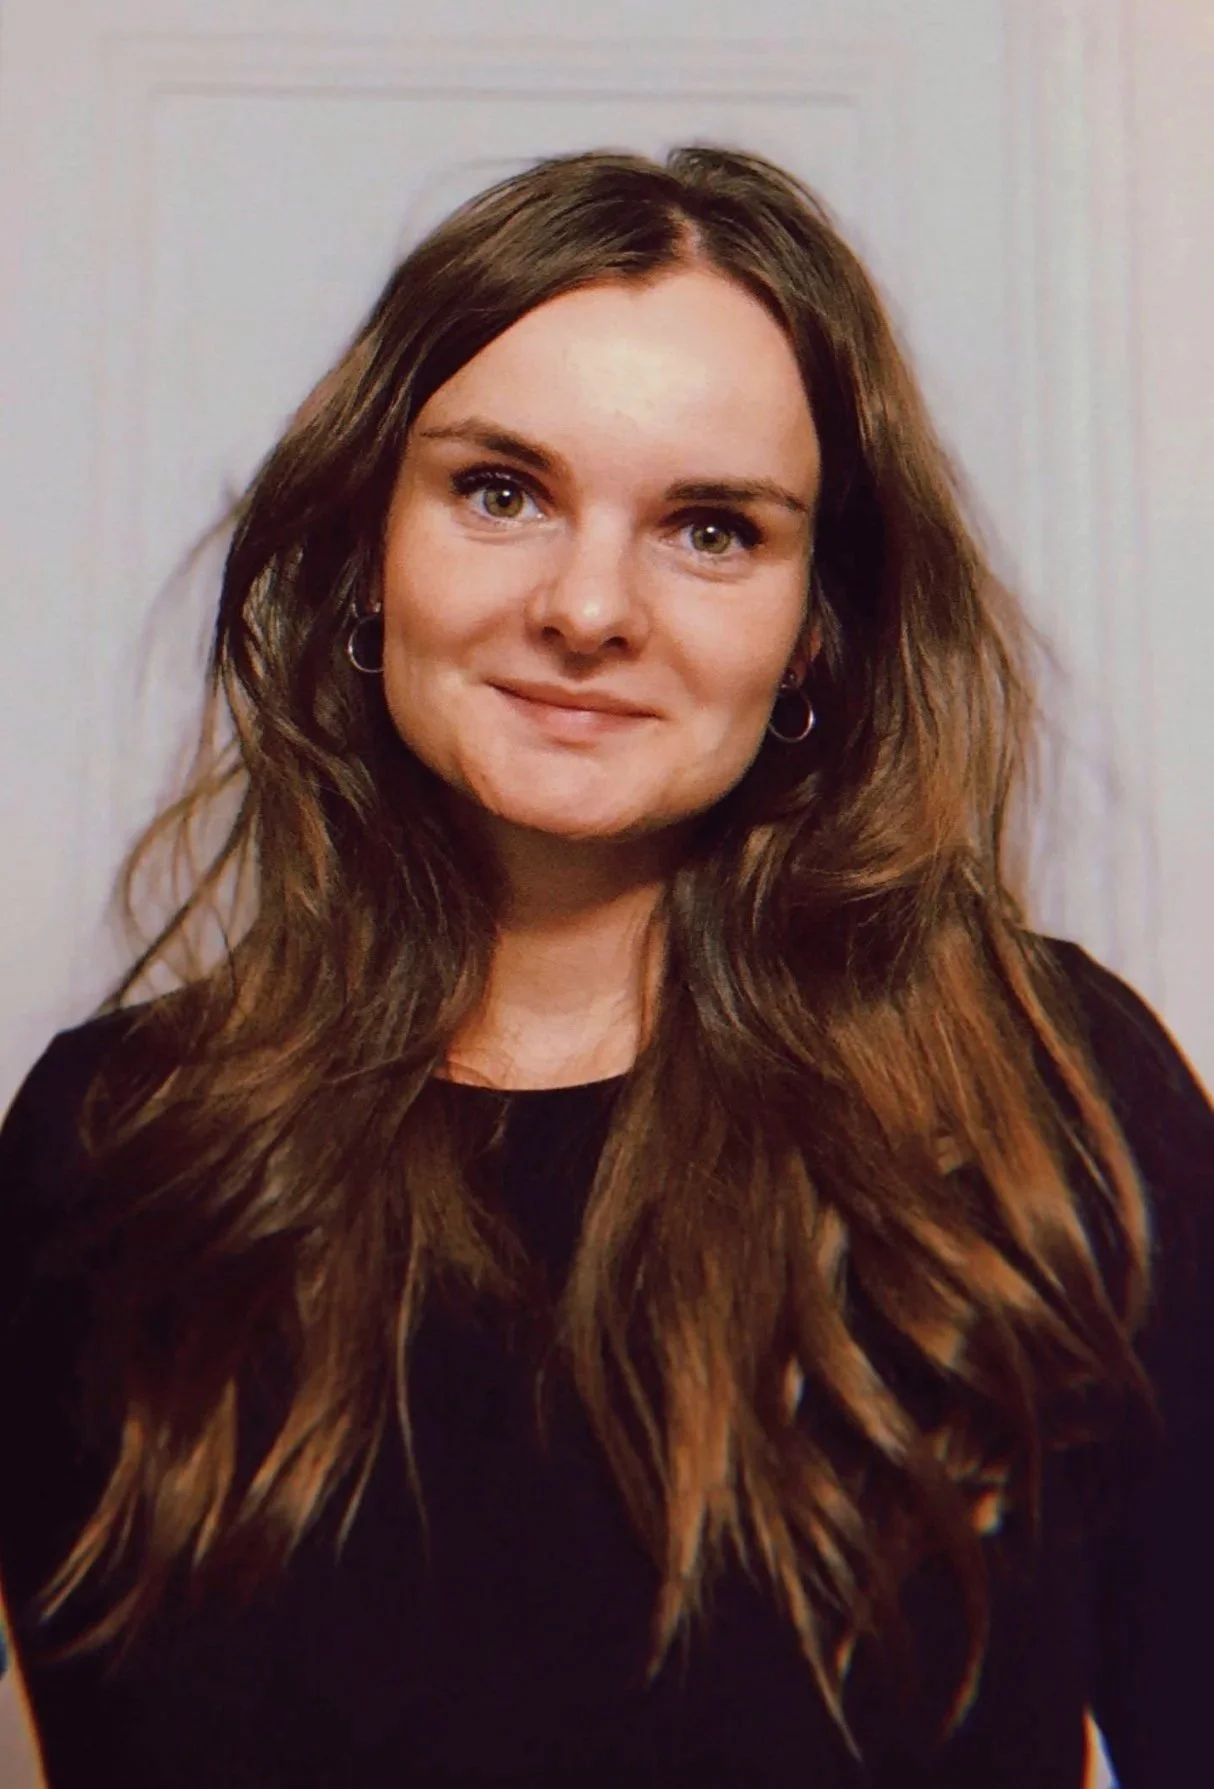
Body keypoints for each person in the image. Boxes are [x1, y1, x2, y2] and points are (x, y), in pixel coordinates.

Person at [0, 143, 1210, 1789]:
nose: (586, 606)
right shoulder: (114, 1147)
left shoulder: (1043, 1094)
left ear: (815, 630)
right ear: (370, 548)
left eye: (711, 529)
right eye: (500, 491)